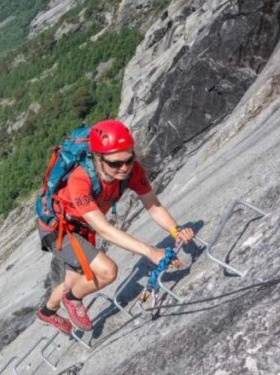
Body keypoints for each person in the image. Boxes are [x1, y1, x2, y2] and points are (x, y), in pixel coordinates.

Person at [35, 120, 194, 333]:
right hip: (58, 229)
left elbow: (153, 206)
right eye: (115, 164)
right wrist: (149, 251)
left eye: (129, 160)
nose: (124, 168)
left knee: (72, 282)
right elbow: (103, 229)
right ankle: (73, 299)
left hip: (82, 226)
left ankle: (47, 312)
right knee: (107, 271)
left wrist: (176, 230)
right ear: (98, 158)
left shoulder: (133, 171)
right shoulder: (80, 180)